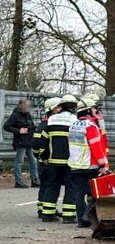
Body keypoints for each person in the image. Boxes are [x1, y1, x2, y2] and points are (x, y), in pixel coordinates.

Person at [68, 98, 109, 227]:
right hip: (90, 165)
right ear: (88, 111)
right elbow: (96, 147)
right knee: (95, 194)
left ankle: (81, 221)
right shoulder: (91, 126)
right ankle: (87, 216)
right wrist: (103, 164)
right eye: (94, 109)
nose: (96, 111)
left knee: (79, 194)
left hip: (76, 165)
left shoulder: (73, 126)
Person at [39, 95, 78, 223]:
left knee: (52, 186)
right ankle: (68, 216)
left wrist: (44, 157)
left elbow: (43, 142)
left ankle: (47, 214)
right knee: (70, 187)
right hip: (70, 161)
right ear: (73, 107)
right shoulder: (75, 120)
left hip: (53, 161)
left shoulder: (51, 120)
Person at [32, 97, 62, 218]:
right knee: (49, 185)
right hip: (47, 161)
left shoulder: (45, 124)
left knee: (46, 185)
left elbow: (35, 146)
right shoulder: (47, 125)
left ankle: (43, 209)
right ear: (52, 109)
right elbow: (36, 144)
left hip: (44, 161)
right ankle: (46, 209)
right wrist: (41, 157)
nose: (61, 110)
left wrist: (38, 156)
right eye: (58, 108)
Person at [4, 99, 38, 188]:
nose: (28, 107)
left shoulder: (28, 115)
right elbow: (6, 126)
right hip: (20, 142)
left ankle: (35, 180)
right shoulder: (15, 115)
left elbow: (33, 126)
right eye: (26, 105)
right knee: (19, 161)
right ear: (20, 105)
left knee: (33, 161)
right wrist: (19, 131)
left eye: (28, 106)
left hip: (29, 141)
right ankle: (18, 182)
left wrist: (32, 131)